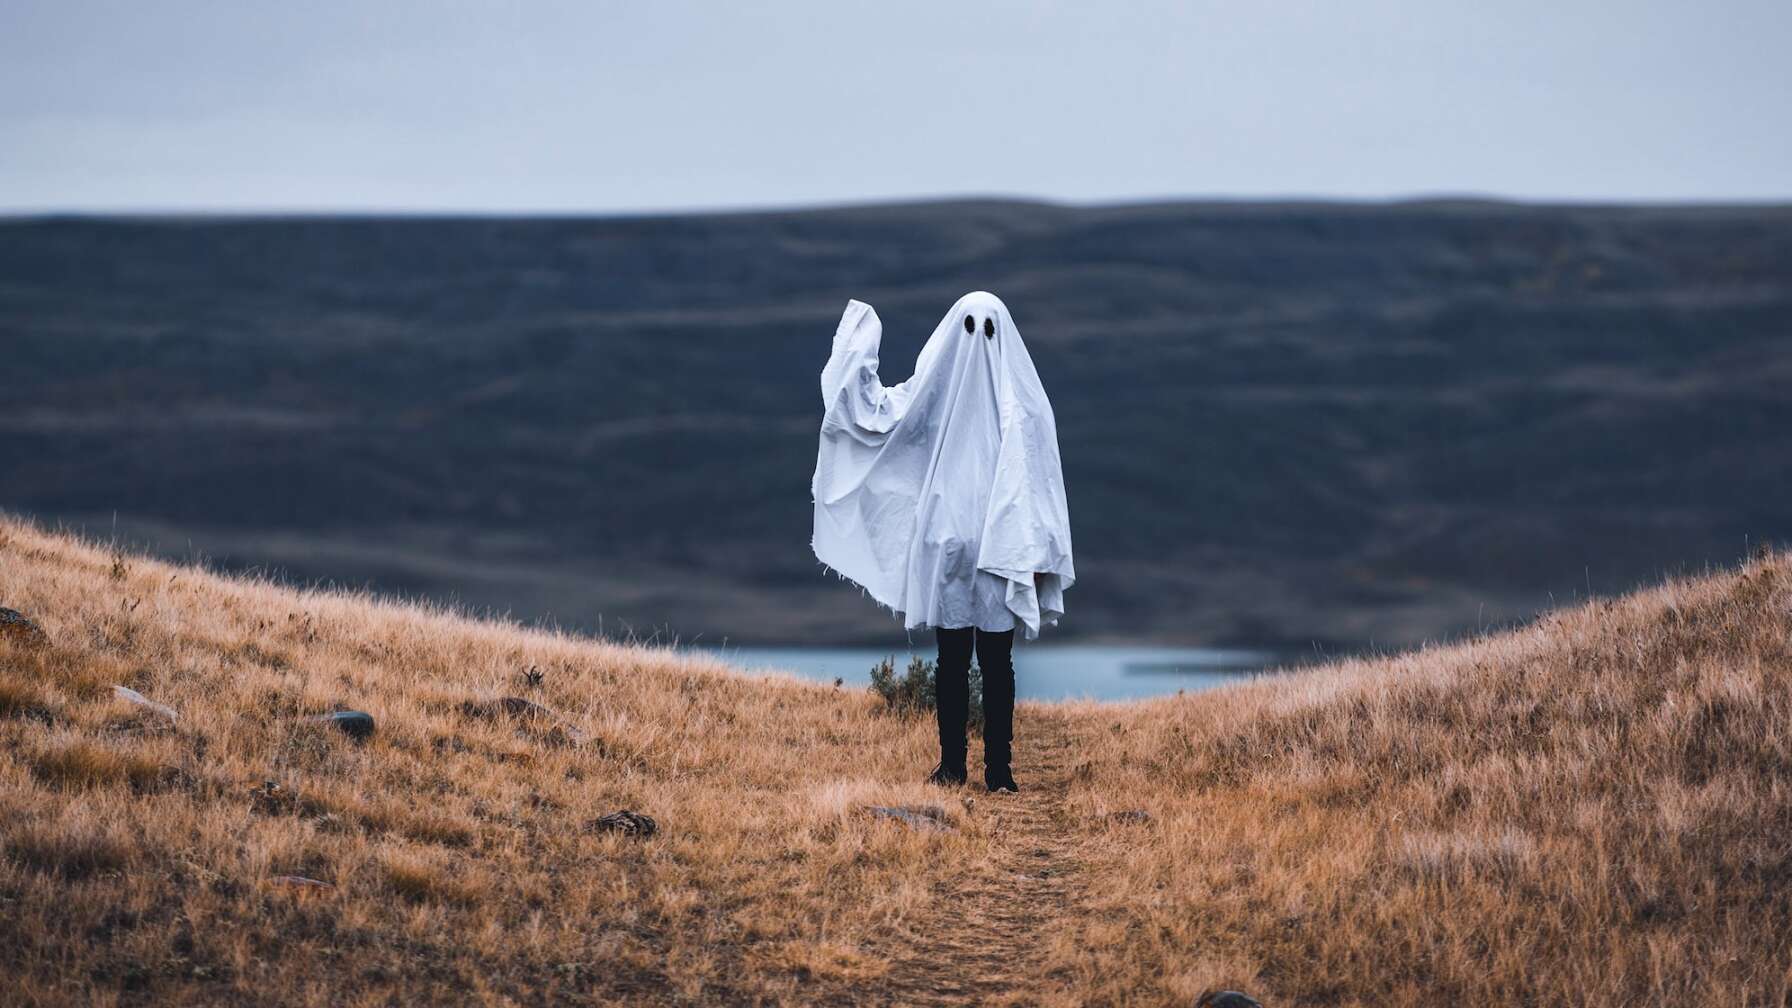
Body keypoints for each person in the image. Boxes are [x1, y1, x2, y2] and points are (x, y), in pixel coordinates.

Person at [811, 291, 1074, 793]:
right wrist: (859, 356)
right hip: (980, 548)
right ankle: (981, 769)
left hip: (972, 546)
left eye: (987, 329)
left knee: (971, 661)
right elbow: (879, 415)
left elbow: (880, 419)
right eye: (971, 329)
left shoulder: (951, 396)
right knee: (979, 661)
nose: (978, 340)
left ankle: (979, 768)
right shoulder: (1015, 404)